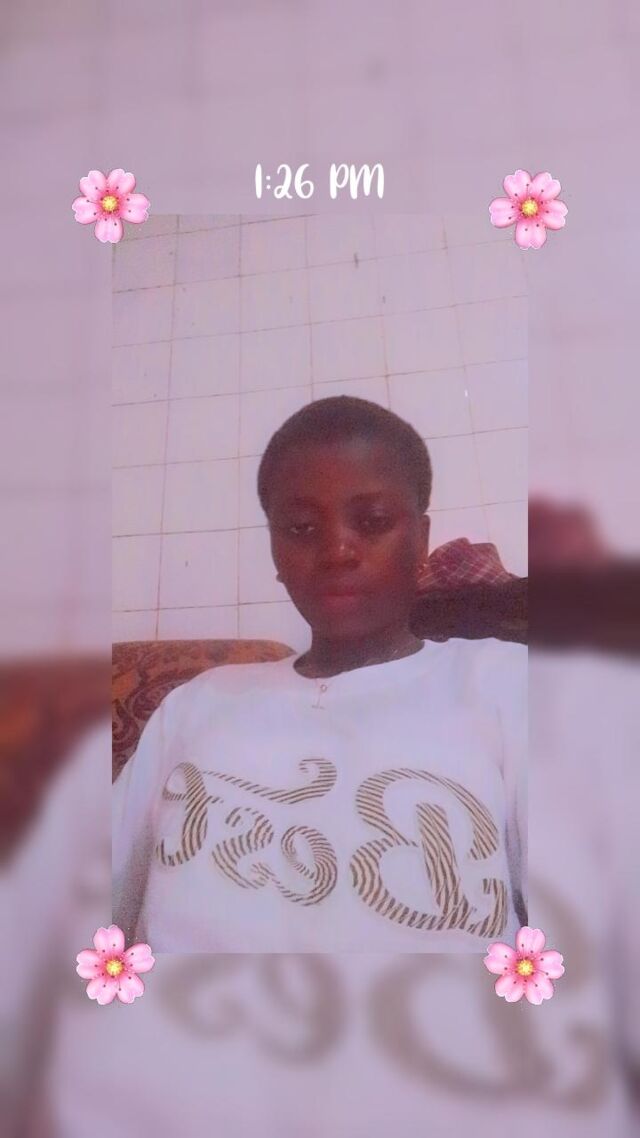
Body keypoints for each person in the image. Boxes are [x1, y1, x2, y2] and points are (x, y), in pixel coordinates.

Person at [113, 396, 527, 952]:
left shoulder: (503, 682)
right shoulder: (197, 703)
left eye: (373, 522)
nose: (336, 550)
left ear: (421, 540)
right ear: (275, 552)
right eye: (302, 527)